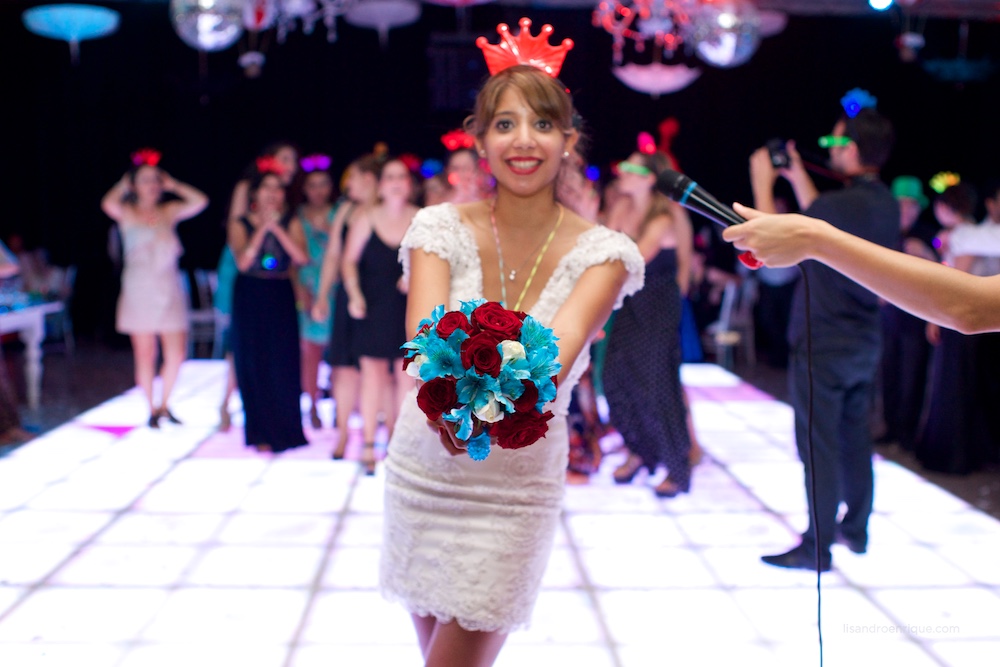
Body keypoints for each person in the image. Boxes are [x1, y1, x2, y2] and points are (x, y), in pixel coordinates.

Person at [378, 29, 644, 666]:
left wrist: (460, 377)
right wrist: (448, 389)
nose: (524, 139)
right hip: (426, 473)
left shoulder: (604, 254)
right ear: (481, 139)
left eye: (542, 123)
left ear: (568, 141)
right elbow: (424, 346)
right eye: (505, 122)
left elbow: (552, 363)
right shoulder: (437, 229)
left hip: (514, 490)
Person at [747, 104, 898, 571]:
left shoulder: (836, 206)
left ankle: (818, 546)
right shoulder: (884, 202)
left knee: (819, 445)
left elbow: (769, 248)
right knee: (855, 439)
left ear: (852, 149)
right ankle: (856, 529)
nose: (830, 150)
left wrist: (762, 182)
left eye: (835, 143)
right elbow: (820, 221)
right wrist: (796, 177)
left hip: (823, 341)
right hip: (865, 340)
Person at [601, 148, 695, 498]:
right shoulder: (623, 207)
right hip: (629, 304)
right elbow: (602, 247)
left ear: (650, 178)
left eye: (630, 168)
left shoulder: (663, 218)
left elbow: (629, 260)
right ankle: (640, 451)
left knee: (657, 387)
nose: (622, 171)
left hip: (657, 307)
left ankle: (676, 467)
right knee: (614, 379)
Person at [100, 150, 209, 428]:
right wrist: (124, 183)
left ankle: (165, 403)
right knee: (145, 352)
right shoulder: (125, 212)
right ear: (134, 185)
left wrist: (173, 185)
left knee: (176, 352)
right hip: (139, 288)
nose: (153, 185)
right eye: (146, 180)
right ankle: (151, 407)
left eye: (156, 180)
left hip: (168, 285)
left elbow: (200, 201)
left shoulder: (168, 211)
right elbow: (107, 202)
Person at [341, 157, 417, 474]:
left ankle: (398, 444)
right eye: (390, 176)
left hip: (408, 306)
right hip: (372, 305)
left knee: (404, 377)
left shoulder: (421, 218)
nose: (396, 181)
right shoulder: (365, 218)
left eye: (402, 176)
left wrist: (414, 273)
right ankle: (369, 443)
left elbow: (435, 260)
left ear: (409, 184)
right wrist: (355, 295)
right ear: (381, 185)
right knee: (372, 376)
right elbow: (348, 262)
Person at [227, 165, 308, 454]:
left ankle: (287, 431)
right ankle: (259, 431)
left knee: (283, 361)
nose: (273, 194)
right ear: (255, 194)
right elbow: (243, 262)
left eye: (278, 188)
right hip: (250, 293)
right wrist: (262, 229)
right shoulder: (240, 222)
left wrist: (278, 229)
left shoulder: (292, 221)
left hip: (280, 293)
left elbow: (301, 257)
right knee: (253, 361)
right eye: (267, 188)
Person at [218, 142, 299, 431]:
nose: (291, 166)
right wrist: (261, 227)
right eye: (285, 159)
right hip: (245, 267)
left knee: (276, 354)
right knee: (244, 348)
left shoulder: (287, 213)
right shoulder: (246, 189)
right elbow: (238, 238)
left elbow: (299, 256)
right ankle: (228, 404)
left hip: (276, 275)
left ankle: (277, 417)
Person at [312, 153, 383, 460]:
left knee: (378, 369)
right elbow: (332, 256)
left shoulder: (386, 210)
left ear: (368, 179)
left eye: (352, 177)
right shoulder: (345, 210)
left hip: (380, 298)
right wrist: (322, 295)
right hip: (346, 297)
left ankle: (376, 433)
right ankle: (342, 436)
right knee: (342, 369)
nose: (348, 184)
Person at [878, 176, 936, 452]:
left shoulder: (926, 234)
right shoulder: (884, 231)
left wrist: (926, 253)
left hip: (916, 316)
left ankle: (907, 434)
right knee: (888, 372)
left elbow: (945, 272)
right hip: (888, 316)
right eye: (902, 204)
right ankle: (891, 428)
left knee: (911, 376)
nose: (907, 210)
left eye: (912, 205)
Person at [293, 156, 337, 429]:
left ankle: (342, 406)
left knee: (340, 353)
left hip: (336, 289)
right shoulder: (297, 216)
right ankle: (311, 405)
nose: (318, 190)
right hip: (309, 286)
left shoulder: (339, 213)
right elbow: (294, 264)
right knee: (311, 353)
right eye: (312, 185)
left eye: (323, 184)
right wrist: (302, 296)